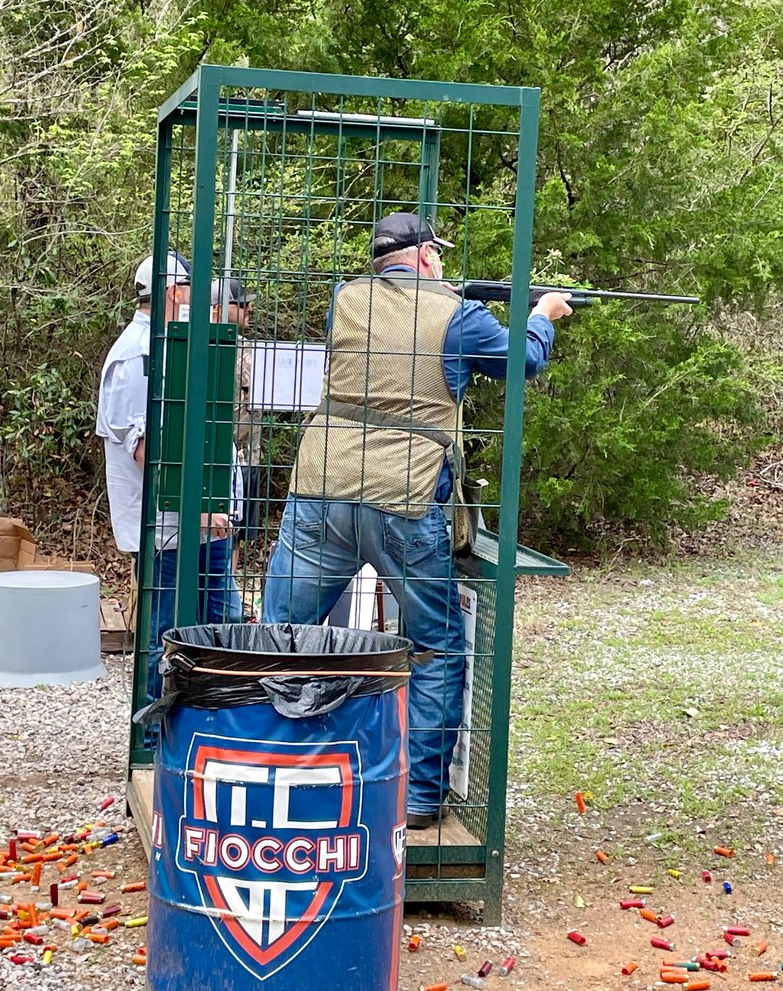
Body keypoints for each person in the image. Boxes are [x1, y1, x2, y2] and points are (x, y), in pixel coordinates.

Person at [262, 212, 572, 828]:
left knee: (281, 636)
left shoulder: (343, 300)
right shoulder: (457, 316)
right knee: (433, 645)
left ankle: (265, 765)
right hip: (402, 498)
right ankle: (420, 799)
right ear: (428, 255)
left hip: (322, 486)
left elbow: (390, 339)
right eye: (439, 256)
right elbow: (523, 363)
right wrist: (542, 315)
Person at [96, 251, 241, 713]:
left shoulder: (166, 344)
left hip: (199, 521)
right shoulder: (137, 356)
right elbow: (147, 450)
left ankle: (213, 720)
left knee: (220, 625)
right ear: (172, 292)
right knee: (167, 634)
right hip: (170, 528)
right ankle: (160, 734)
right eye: (191, 291)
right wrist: (199, 507)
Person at [210, 278, 262, 543]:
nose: (248, 308)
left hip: (247, 457)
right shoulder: (202, 346)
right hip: (222, 456)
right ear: (218, 307)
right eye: (241, 303)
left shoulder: (249, 348)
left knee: (235, 537)